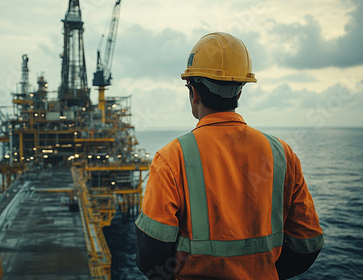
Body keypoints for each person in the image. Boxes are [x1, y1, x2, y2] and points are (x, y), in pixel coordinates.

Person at [135, 32, 323, 280]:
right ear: (239, 92)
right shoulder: (283, 154)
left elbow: (151, 253)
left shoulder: (172, 158)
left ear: (194, 92)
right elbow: (307, 244)